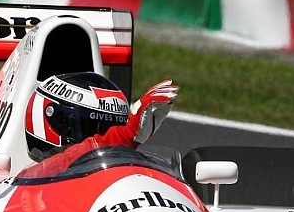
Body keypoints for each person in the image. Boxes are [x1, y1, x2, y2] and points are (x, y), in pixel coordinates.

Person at [22, 72, 178, 177]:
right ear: (54, 120)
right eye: (89, 128)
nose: (107, 136)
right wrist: (124, 136)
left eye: (114, 127)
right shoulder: (27, 182)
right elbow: (55, 167)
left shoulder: (124, 174)